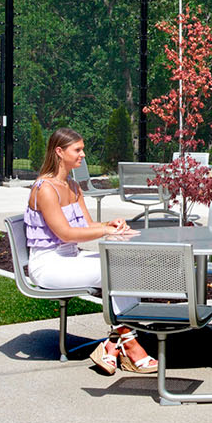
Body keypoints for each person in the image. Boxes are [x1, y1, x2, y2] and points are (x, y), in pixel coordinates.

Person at [23, 128, 154, 374]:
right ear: (59, 152)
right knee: (115, 272)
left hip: (70, 258)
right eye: (78, 150)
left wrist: (110, 225)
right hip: (48, 265)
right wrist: (105, 232)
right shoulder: (45, 189)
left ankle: (115, 346)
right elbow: (66, 233)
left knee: (127, 268)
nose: (83, 155)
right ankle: (131, 345)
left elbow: (85, 225)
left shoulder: (72, 185)